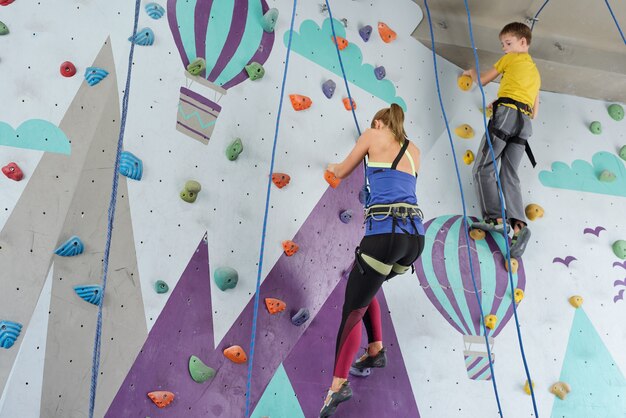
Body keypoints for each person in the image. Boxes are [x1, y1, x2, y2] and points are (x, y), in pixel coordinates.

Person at [320, 104, 425, 417]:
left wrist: (326, 166)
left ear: (380, 122)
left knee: (352, 309)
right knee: (367, 284)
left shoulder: (373, 133)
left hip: (385, 236)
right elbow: (397, 184)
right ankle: (375, 349)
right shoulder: (415, 151)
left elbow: (340, 171)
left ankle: (338, 385)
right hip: (414, 240)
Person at [463, 21, 541, 258]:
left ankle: (495, 218)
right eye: (503, 45)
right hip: (524, 123)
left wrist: (471, 73)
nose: (505, 48)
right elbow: (534, 112)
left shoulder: (511, 59)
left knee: (482, 167)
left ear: (523, 43)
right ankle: (518, 226)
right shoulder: (536, 74)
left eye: (508, 43)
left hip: (506, 114)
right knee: (509, 173)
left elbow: (485, 79)